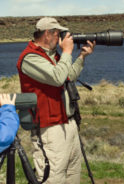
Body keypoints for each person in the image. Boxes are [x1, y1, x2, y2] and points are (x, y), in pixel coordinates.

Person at [17, 17, 95, 184]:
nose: (61, 38)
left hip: (68, 124)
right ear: (47, 34)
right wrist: (67, 52)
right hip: (50, 130)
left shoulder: (53, 56)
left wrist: (81, 57)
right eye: (58, 34)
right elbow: (57, 77)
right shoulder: (30, 58)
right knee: (53, 178)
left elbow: (68, 77)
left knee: (73, 176)